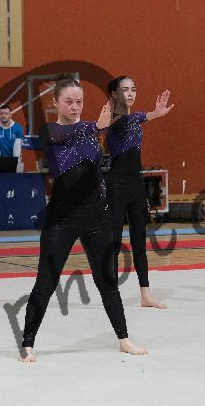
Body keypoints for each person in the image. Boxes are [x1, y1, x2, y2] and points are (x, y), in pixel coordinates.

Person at [19, 75, 147, 362]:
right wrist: (96, 126)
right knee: (46, 283)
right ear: (55, 102)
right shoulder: (49, 131)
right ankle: (27, 344)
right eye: (69, 101)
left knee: (107, 281)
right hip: (61, 219)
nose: (75, 107)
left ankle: (123, 338)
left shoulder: (91, 130)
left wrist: (146, 114)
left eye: (79, 102)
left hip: (96, 217)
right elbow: (66, 136)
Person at [104, 75, 173, 309]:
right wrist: (152, 114)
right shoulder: (113, 118)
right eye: (125, 89)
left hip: (135, 184)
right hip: (116, 185)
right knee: (114, 240)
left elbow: (135, 119)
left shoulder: (132, 119)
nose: (131, 93)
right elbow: (129, 120)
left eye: (133, 89)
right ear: (114, 94)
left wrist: (153, 114)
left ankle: (145, 295)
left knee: (139, 240)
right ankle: (111, 294)